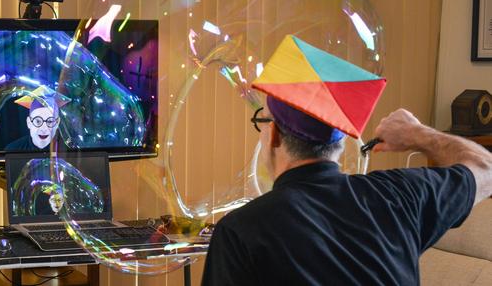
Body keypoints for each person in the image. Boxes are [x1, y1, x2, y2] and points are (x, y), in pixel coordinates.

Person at [201, 40, 492, 285]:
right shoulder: (402, 195)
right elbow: (486, 168)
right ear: (341, 142)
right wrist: (418, 134)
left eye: (262, 120)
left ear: (274, 134)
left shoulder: (241, 231)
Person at [5, 86, 71, 151]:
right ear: (29, 123)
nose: (44, 128)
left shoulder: (69, 151)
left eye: (50, 121)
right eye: (38, 121)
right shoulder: (13, 150)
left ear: (57, 123)